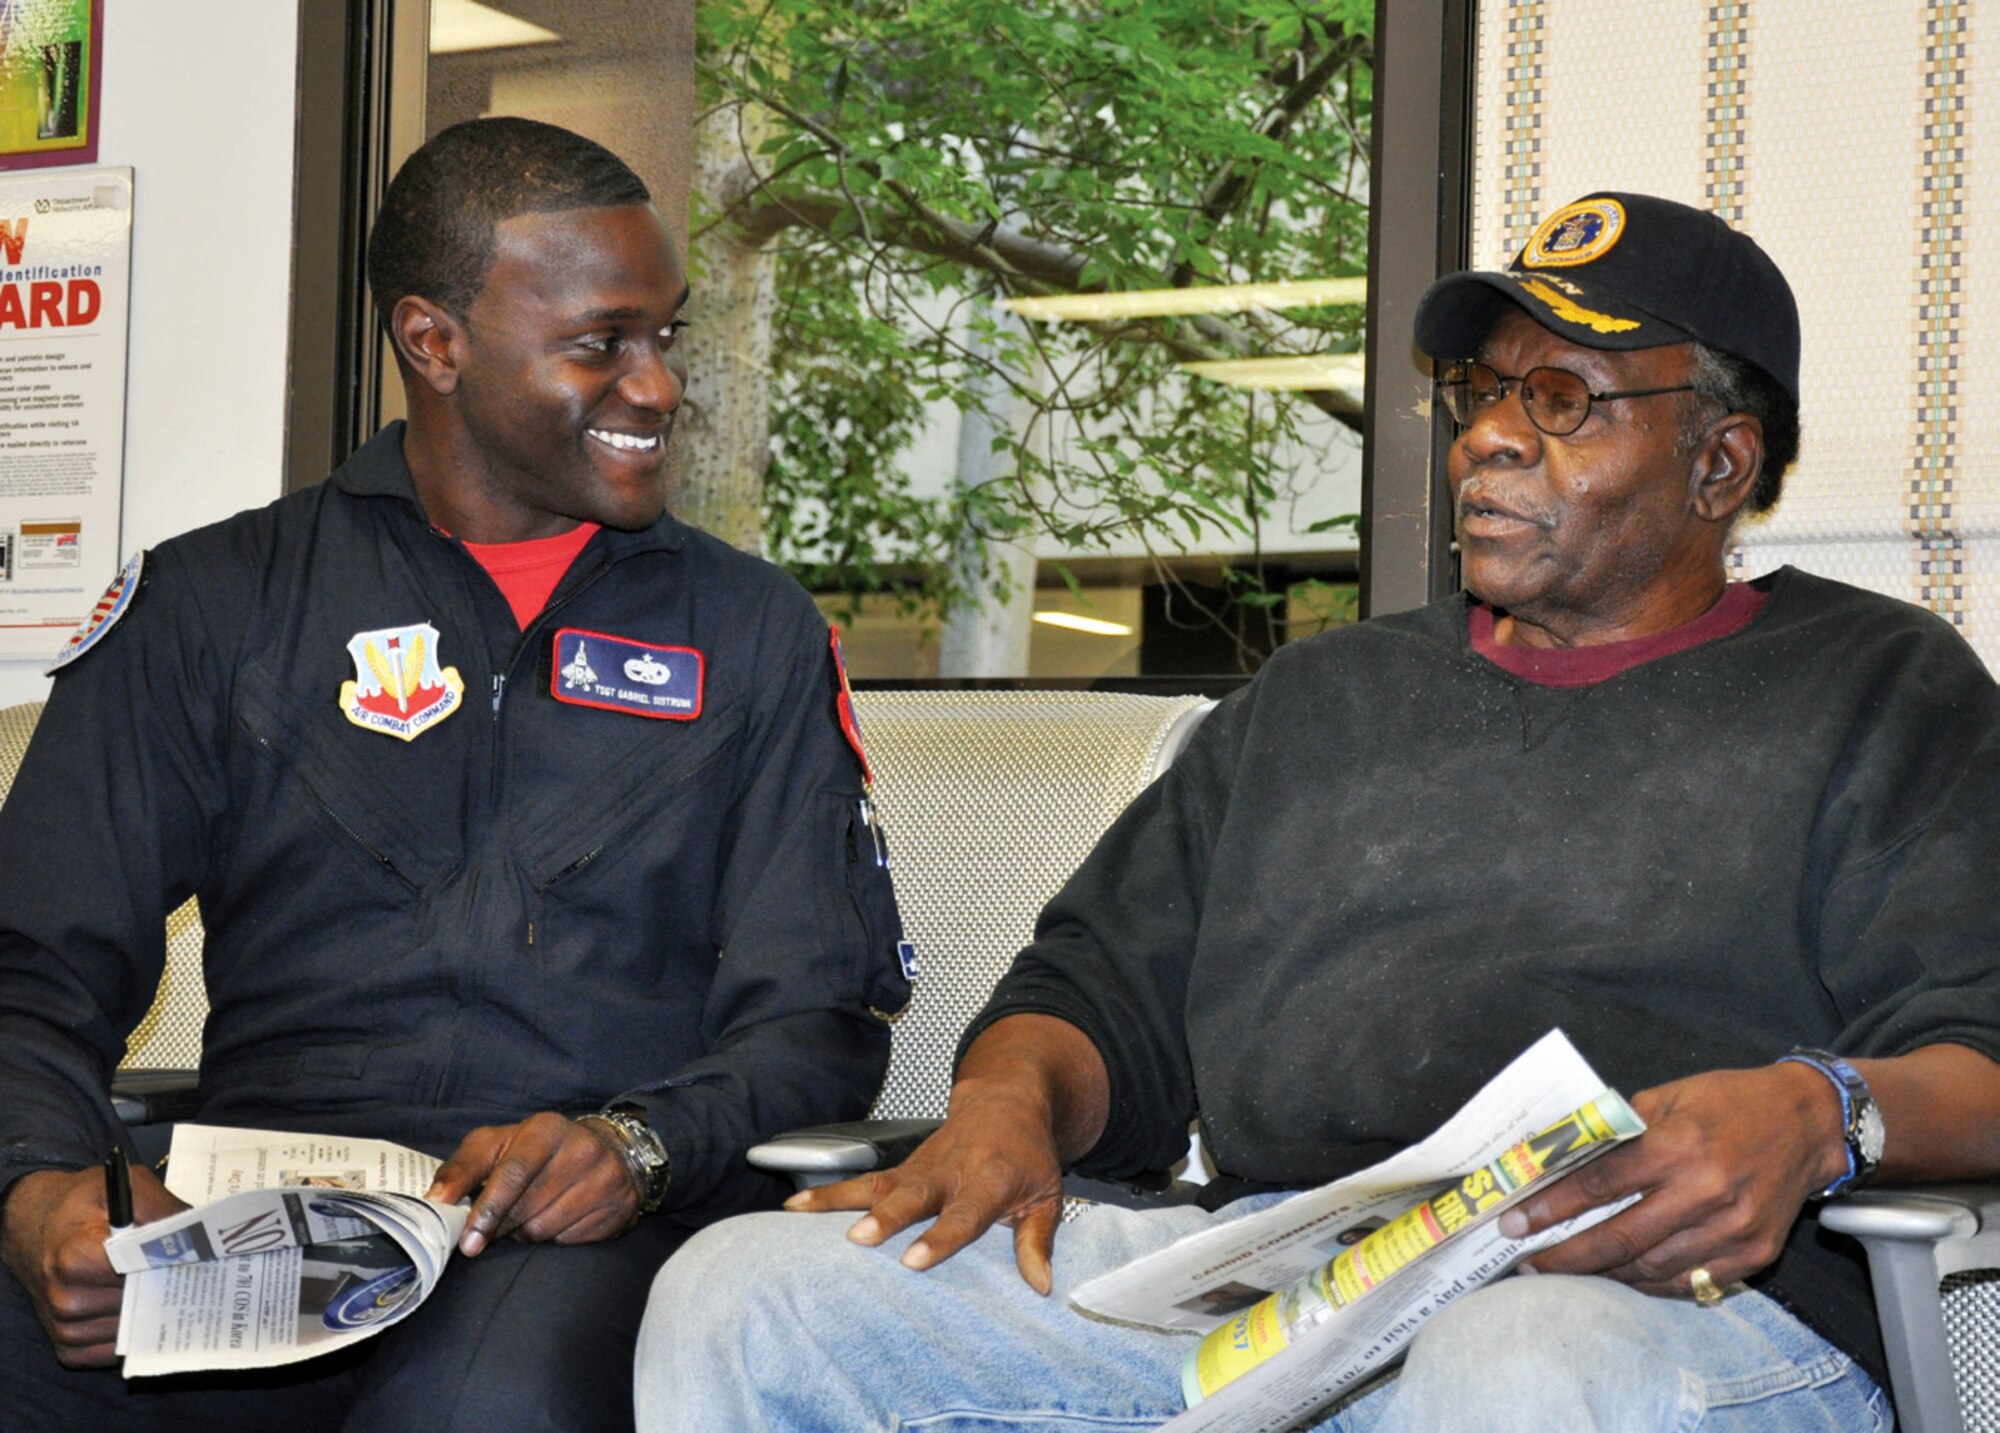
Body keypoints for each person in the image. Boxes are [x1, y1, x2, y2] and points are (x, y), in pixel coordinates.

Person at [637, 192, 2000, 1431]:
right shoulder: (1323, 697)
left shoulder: (1878, 688)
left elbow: (1983, 1044)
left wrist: (1824, 1109)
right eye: (1479, 391)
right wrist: (1006, 1102)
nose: (1488, 436)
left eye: (1564, 398)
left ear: (1720, 464)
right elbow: (1093, 992)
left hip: (1649, 1302)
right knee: (745, 1294)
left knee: (1512, 1365)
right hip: (1282, 1280)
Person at [0, 117, 909, 1431]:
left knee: (480, 1409)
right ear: (435, 343)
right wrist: (41, 1185)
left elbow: (816, 1023)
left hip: (576, 1225)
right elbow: (29, 970)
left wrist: (644, 1146)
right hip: (263, 1221)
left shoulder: (749, 633)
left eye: (667, 336)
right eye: (602, 343)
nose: (656, 386)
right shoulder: (214, 606)